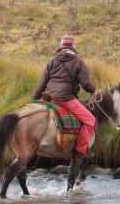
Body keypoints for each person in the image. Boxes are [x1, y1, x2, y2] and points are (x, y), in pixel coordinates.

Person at [31, 33, 97, 161]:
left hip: (49, 98)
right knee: (90, 121)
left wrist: (33, 100)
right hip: (66, 99)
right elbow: (86, 84)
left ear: (60, 46)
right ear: (73, 47)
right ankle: (80, 151)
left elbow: (41, 84)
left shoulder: (51, 61)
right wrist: (93, 91)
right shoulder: (78, 62)